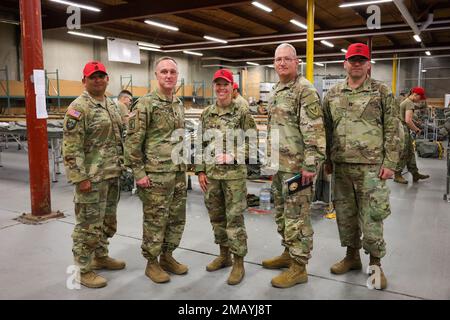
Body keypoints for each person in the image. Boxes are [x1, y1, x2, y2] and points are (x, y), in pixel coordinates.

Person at [322, 43, 401, 290]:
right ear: (344, 63)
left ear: (368, 64)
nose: (356, 64)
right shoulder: (333, 94)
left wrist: (390, 163)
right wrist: (327, 159)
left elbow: (393, 128)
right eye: (351, 60)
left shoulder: (381, 91)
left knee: (372, 218)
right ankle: (351, 257)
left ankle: (376, 266)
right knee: (346, 216)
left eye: (361, 60)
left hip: (372, 168)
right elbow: (326, 130)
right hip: (342, 167)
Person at [261, 43, 326, 288]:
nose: (282, 63)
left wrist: (309, 166)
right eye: (278, 59)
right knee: (282, 214)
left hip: (298, 168)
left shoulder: (304, 90)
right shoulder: (278, 88)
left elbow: (315, 133)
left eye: (287, 59)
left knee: (297, 217)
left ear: (296, 61)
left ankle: (299, 267)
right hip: (279, 166)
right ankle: (289, 253)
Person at [124, 56, 187, 284]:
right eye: (164, 72)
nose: (169, 76)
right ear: (156, 76)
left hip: (178, 173)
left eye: (172, 72)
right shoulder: (145, 104)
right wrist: (139, 174)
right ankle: (152, 263)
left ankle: (167, 256)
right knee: (155, 220)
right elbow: (132, 143)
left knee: (176, 219)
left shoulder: (178, 104)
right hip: (156, 176)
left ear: (177, 76)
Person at [62, 61, 125, 288]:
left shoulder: (112, 104)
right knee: (88, 225)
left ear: (107, 79)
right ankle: (82, 269)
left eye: (101, 76)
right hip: (91, 178)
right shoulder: (78, 108)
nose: (98, 80)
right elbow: (71, 148)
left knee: (107, 222)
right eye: (93, 77)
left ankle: (100, 256)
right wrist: (81, 178)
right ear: (84, 81)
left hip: (112, 174)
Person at [196, 69, 256, 285]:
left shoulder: (242, 113)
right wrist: (200, 170)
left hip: (234, 178)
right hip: (212, 177)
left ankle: (239, 262)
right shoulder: (206, 114)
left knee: (235, 219)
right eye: (218, 85)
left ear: (233, 87)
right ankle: (224, 255)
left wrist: (234, 155)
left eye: (225, 85)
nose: (221, 89)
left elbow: (254, 143)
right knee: (217, 218)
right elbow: (200, 144)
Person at [394, 87, 430, 184]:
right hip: (403, 130)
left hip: (402, 128)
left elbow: (407, 118)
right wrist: (416, 129)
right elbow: (408, 120)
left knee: (410, 152)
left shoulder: (406, 101)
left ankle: (415, 174)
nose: (420, 100)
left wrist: (416, 123)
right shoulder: (409, 103)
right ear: (415, 94)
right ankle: (397, 174)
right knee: (404, 152)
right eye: (420, 97)